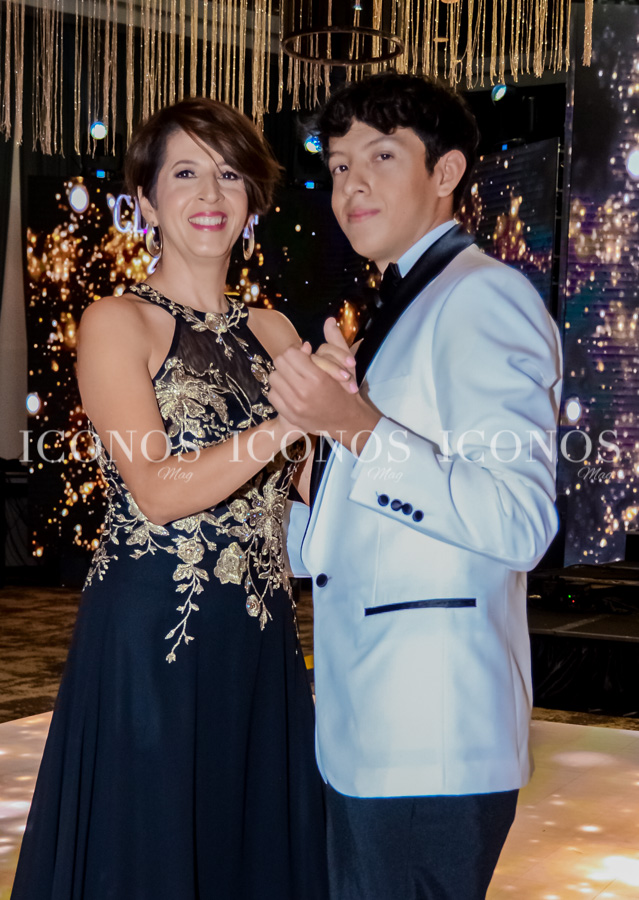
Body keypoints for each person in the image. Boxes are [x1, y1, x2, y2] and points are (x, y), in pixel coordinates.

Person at [11, 97, 329, 900]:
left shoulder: (275, 331)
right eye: (185, 174)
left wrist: (347, 418)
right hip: (156, 633)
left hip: (259, 635)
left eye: (229, 174)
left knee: (244, 846)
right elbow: (154, 489)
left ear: (253, 197)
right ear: (147, 201)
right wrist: (289, 421)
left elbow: (310, 489)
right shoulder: (118, 321)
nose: (210, 194)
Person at [269, 72, 563, 900]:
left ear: (446, 172)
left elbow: (517, 520)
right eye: (337, 166)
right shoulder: (401, 306)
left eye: (380, 157)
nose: (350, 184)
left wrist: (354, 425)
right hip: (370, 730)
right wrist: (302, 458)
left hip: (430, 737)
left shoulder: (481, 297)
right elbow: (338, 543)